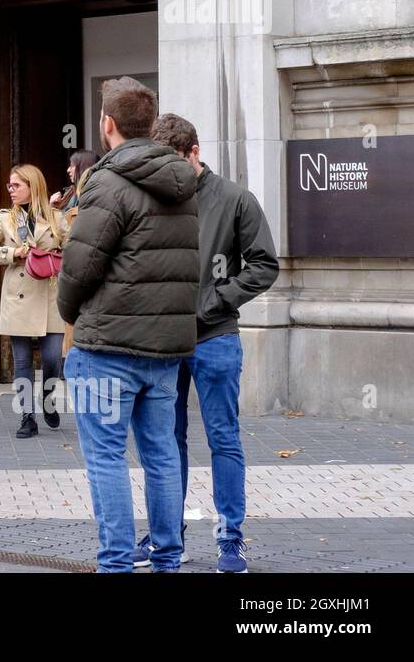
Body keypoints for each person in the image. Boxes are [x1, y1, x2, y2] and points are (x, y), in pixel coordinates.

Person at [56, 77, 200, 573]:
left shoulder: (106, 181)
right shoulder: (184, 183)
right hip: (164, 348)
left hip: (108, 345)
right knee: (162, 455)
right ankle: (168, 558)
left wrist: (69, 314)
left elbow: (80, 266)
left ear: (108, 124)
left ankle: (116, 563)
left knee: (107, 458)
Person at [150, 113, 279, 574]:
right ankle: (169, 538)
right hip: (164, 339)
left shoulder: (235, 199)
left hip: (215, 337)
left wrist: (216, 299)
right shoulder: (157, 195)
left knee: (223, 439)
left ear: (195, 153)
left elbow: (264, 264)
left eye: (175, 164)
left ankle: (231, 538)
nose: (170, 175)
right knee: (166, 442)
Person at [0, 163, 69, 438]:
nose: (11, 190)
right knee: (23, 362)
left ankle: (48, 399)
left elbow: (75, 246)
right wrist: (12, 252)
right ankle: (27, 417)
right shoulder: (6, 218)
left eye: (16, 185)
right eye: (9, 185)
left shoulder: (55, 217)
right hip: (18, 293)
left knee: (53, 358)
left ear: (33, 186)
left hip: (50, 293)